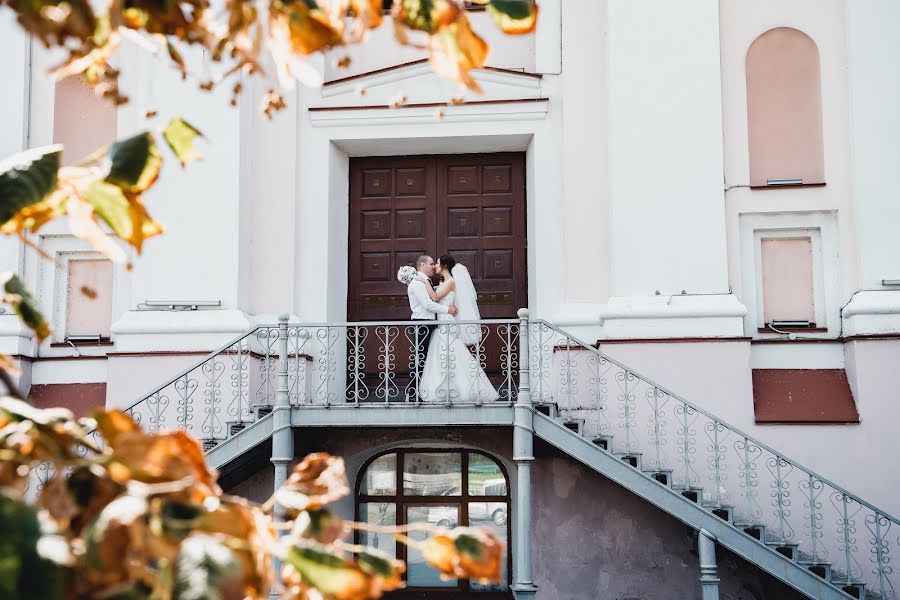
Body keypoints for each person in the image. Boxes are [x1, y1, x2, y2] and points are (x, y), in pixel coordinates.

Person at [418, 255, 499, 403]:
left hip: (448, 324)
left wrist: (424, 281)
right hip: (443, 322)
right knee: (446, 354)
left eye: (437, 263)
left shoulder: (451, 282)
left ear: (445, 266)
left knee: (451, 352)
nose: (435, 266)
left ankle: (462, 389)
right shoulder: (444, 282)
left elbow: (435, 298)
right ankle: (446, 389)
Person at [406, 255, 457, 401]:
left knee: (426, 358)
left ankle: (423, 391)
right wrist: (447, 310)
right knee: (419, 358)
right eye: (431, 264)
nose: (433, 266)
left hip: (429, 324)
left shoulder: (425, 282)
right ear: (422, 265)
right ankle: (413, 394)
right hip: (421, 323)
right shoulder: (418, 283)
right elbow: (428, 304)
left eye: (435, 263)